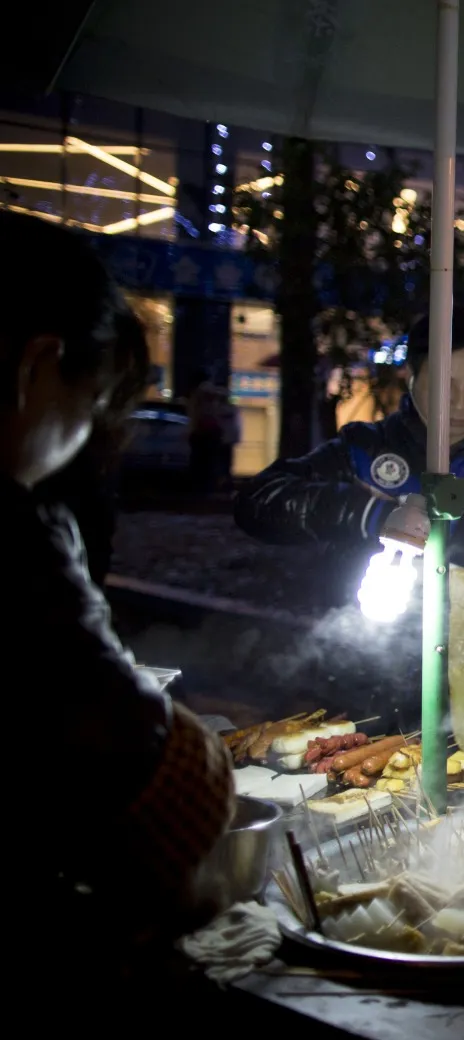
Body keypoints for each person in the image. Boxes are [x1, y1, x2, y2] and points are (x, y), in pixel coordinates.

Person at [1, 212, 236, 986]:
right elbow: (139, 770)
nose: (91, 433)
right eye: (96, 400)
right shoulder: (13, 531)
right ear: (39, 365)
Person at [235, 305, 464, 720]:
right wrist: (371, 515)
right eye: (443, 385)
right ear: (411, 374)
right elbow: (259, 501)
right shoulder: (363, 450)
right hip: (360, 677)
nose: (458, 404)